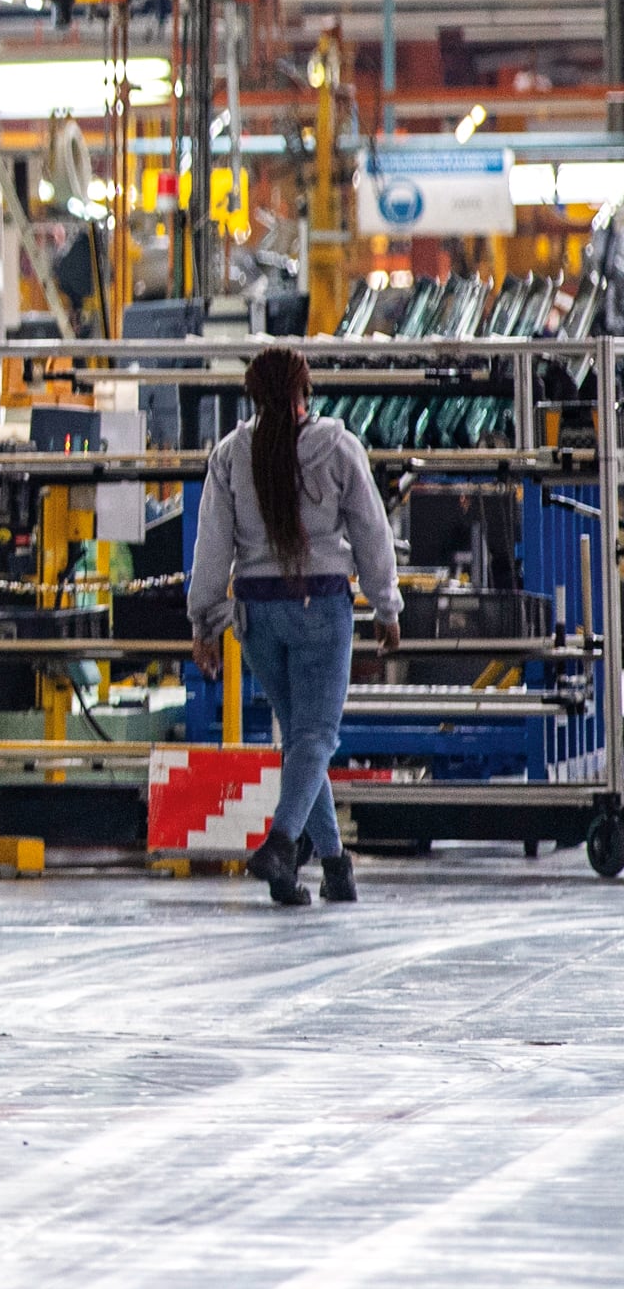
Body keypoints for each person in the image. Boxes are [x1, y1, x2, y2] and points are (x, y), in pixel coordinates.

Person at [186, 348, 402, 909]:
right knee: (315, 737)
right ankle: (281, 843)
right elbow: (372, 530)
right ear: (305, 389)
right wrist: (386, 606)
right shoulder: (336, 445)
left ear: (253, 396)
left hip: (256, 616)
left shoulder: (231, 454)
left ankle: (333, 867)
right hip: (320, 609)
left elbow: (211, 547)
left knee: (300, 738)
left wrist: (205, 623)